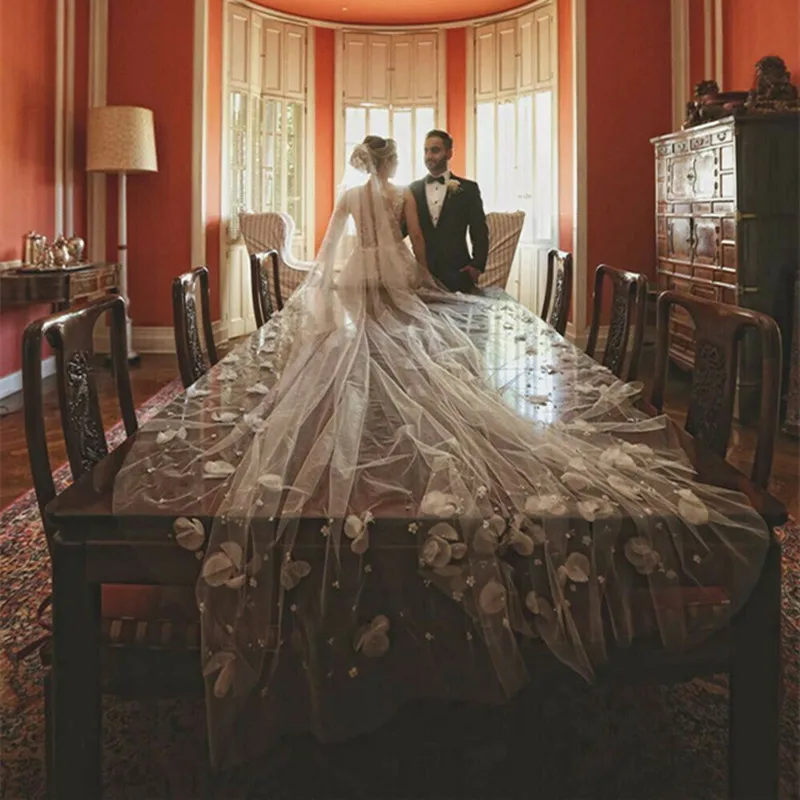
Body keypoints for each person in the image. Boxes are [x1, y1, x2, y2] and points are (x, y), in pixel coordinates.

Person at [113, 134, 770, 769]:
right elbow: (422, 250)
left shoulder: (346, 196)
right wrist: (431, 288)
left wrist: (328, 290)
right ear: (395, 163)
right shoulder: (399, 195)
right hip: (397, 285)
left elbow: (330, 249)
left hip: (350, 287)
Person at [406, 129, 489, 292]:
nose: (429, 156)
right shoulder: (412, 190)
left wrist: (476, 266)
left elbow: (479, 230)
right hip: (422, 273)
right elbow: (403, 229)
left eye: (435, 150)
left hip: (458, 273)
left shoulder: (469, 189)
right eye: (426, 150)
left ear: (449, 153)